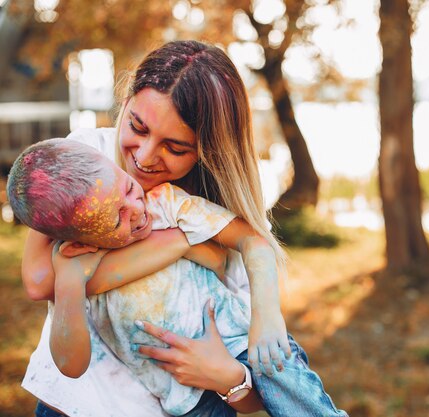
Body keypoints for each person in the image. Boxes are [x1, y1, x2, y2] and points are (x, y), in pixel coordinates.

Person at [18, 40, 347, 417]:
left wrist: (228, 374)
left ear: (207, 150)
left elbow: (255, 393)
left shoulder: (202, 206)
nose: (143, 158)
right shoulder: (84, 161)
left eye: (174, 148)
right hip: (76, 407)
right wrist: (180, 243)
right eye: (137, 126)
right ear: (125, 101)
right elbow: (40, 281)